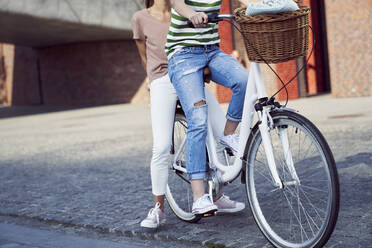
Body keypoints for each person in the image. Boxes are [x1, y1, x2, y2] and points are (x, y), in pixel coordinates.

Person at [131, 0, 245, 229]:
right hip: (164, 80)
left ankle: (215, 195)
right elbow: (145, 57)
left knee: (220, 131)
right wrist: (152, 82)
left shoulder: (183, 9)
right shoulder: (140, 18)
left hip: (193, 73)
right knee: (162, 146)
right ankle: (158, 209)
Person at [166, 0, 250, 215]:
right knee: (199, 120)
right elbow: (176, 3)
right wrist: (191, 14)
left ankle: (228, 135)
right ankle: (199, 197)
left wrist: (266, 7)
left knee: (243, 80)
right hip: (183, 54)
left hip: (212, 51)